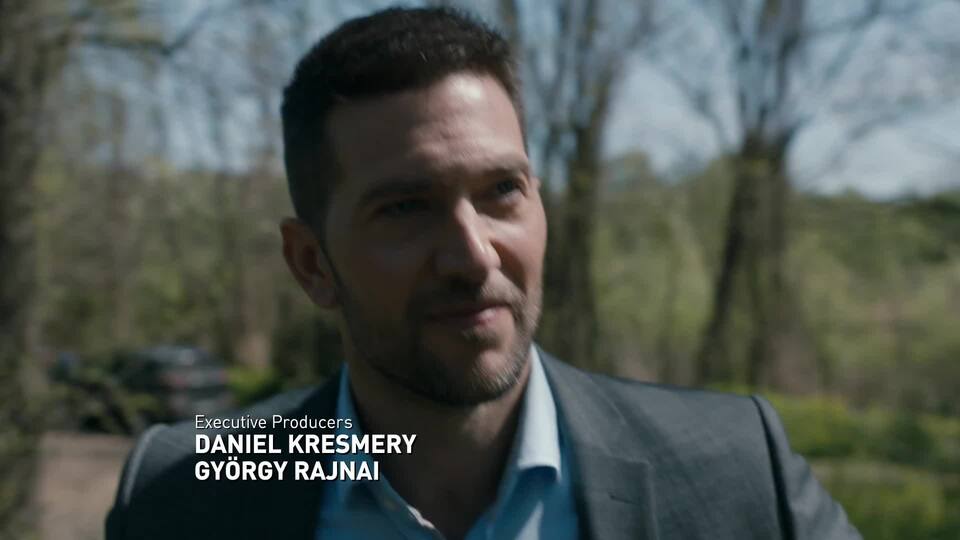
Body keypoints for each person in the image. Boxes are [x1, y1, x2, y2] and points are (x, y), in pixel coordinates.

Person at [105, 6, 861, 540]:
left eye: (502, 191)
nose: (473, 255)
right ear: (312, 264)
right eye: (406, 208)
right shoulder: (187, 487)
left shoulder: (731, 467)